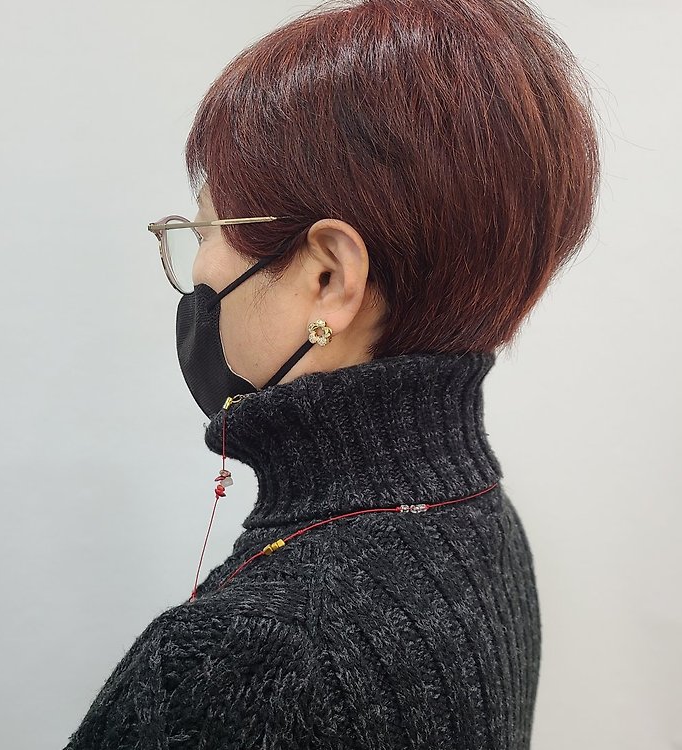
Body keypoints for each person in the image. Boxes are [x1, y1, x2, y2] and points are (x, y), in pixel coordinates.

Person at [64, 0, 599, 747]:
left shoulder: (246, 662)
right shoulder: (478, 515)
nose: (199, 265)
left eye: (208, 225)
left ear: (328, 279)